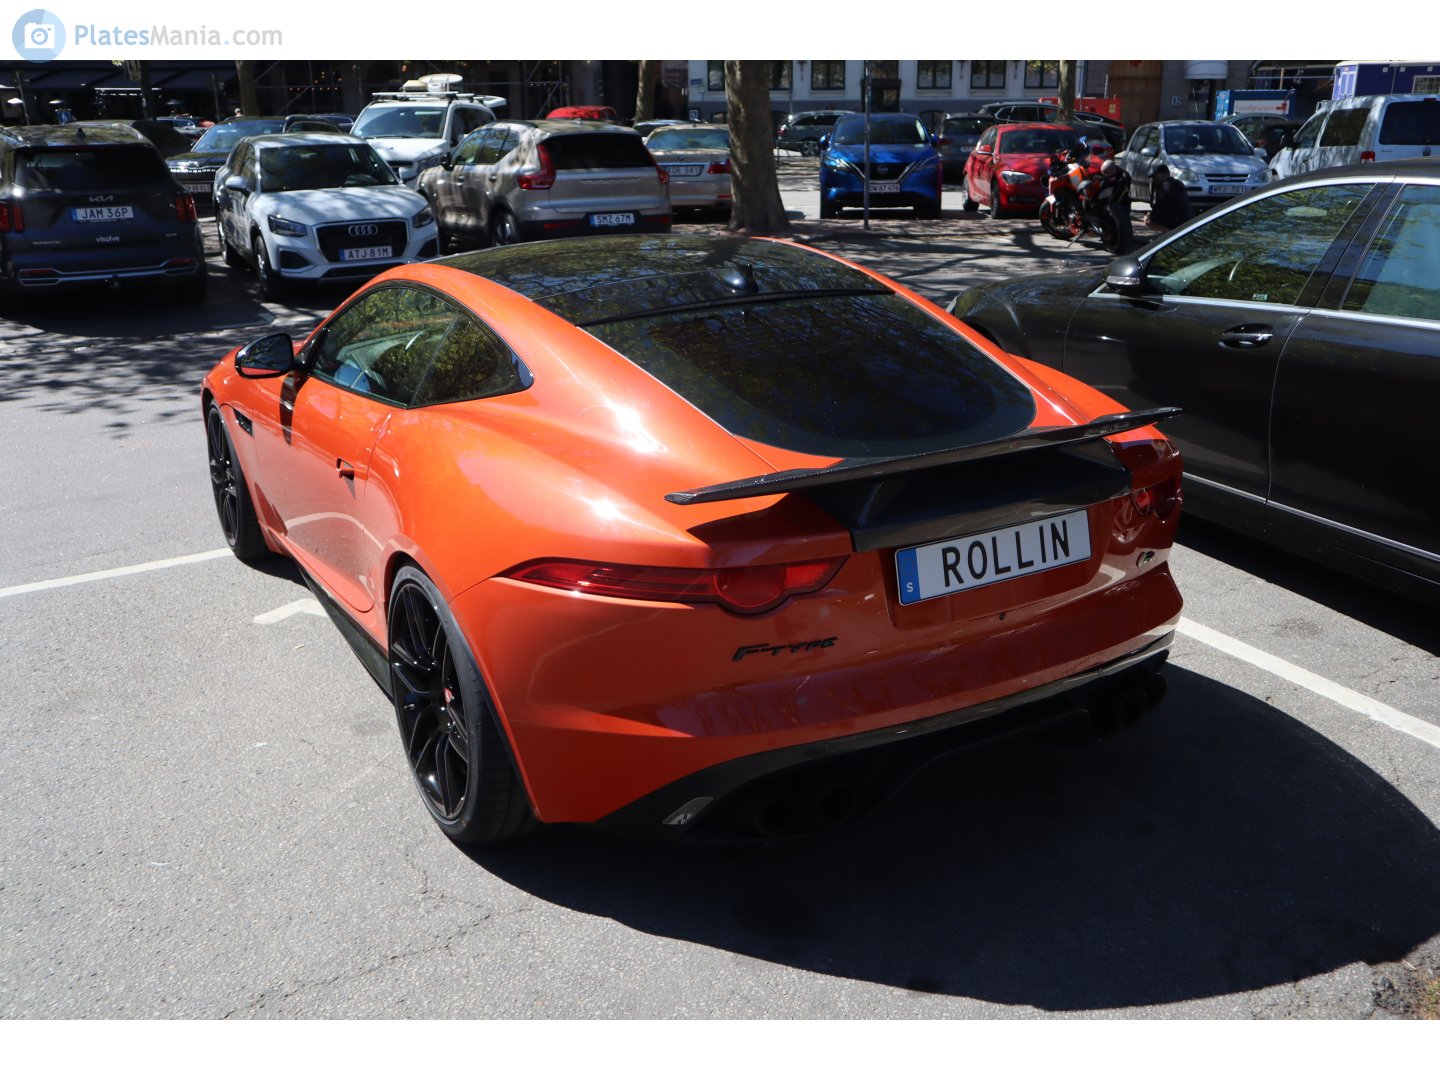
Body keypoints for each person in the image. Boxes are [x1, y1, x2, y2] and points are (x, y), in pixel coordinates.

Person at [1145, 164, 1194, 231]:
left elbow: (1159, 207)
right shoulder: (1178, 183)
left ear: (1163, 175)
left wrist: (1150, 216)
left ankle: (1168, 235)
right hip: (1188, 219)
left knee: (1148, 220)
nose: (1154, 180)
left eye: (1155, 177)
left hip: (1176, 222)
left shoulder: (1165, 187)